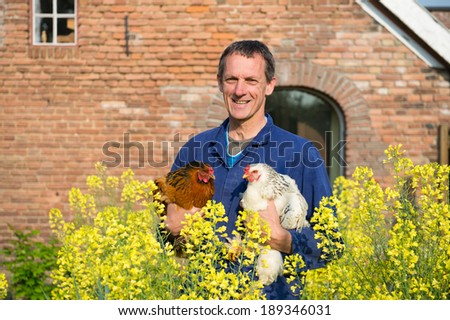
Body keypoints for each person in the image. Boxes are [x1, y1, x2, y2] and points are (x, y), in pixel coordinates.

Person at [164, 40, 333, 299]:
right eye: (231, 79)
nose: (239, 90)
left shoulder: (300, 153)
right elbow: (165, 238)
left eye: (251, 81)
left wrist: (284, 239)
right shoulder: (195, 149)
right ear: (220, 83)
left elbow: (330, 245)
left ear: (270, 85)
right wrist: (172, 230)